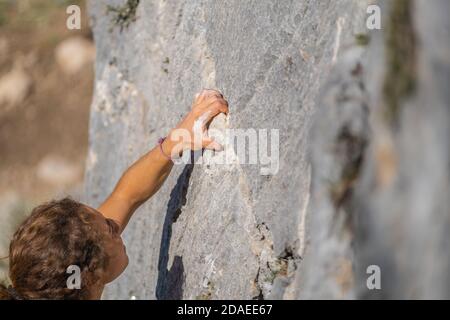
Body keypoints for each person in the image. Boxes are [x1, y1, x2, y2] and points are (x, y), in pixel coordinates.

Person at [0, 89, 228, 300]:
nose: (116, 223)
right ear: (89, 277)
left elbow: (125, 196)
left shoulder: (75, 271)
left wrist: (174, 142)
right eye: (110, 227)